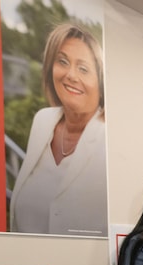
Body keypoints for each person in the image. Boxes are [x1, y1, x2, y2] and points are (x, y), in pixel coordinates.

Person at [10, 23, 107, 236]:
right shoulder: (42, 121)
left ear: (101, 81)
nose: (71, 75)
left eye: (83, 69)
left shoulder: (109, 138)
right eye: (62, 61)